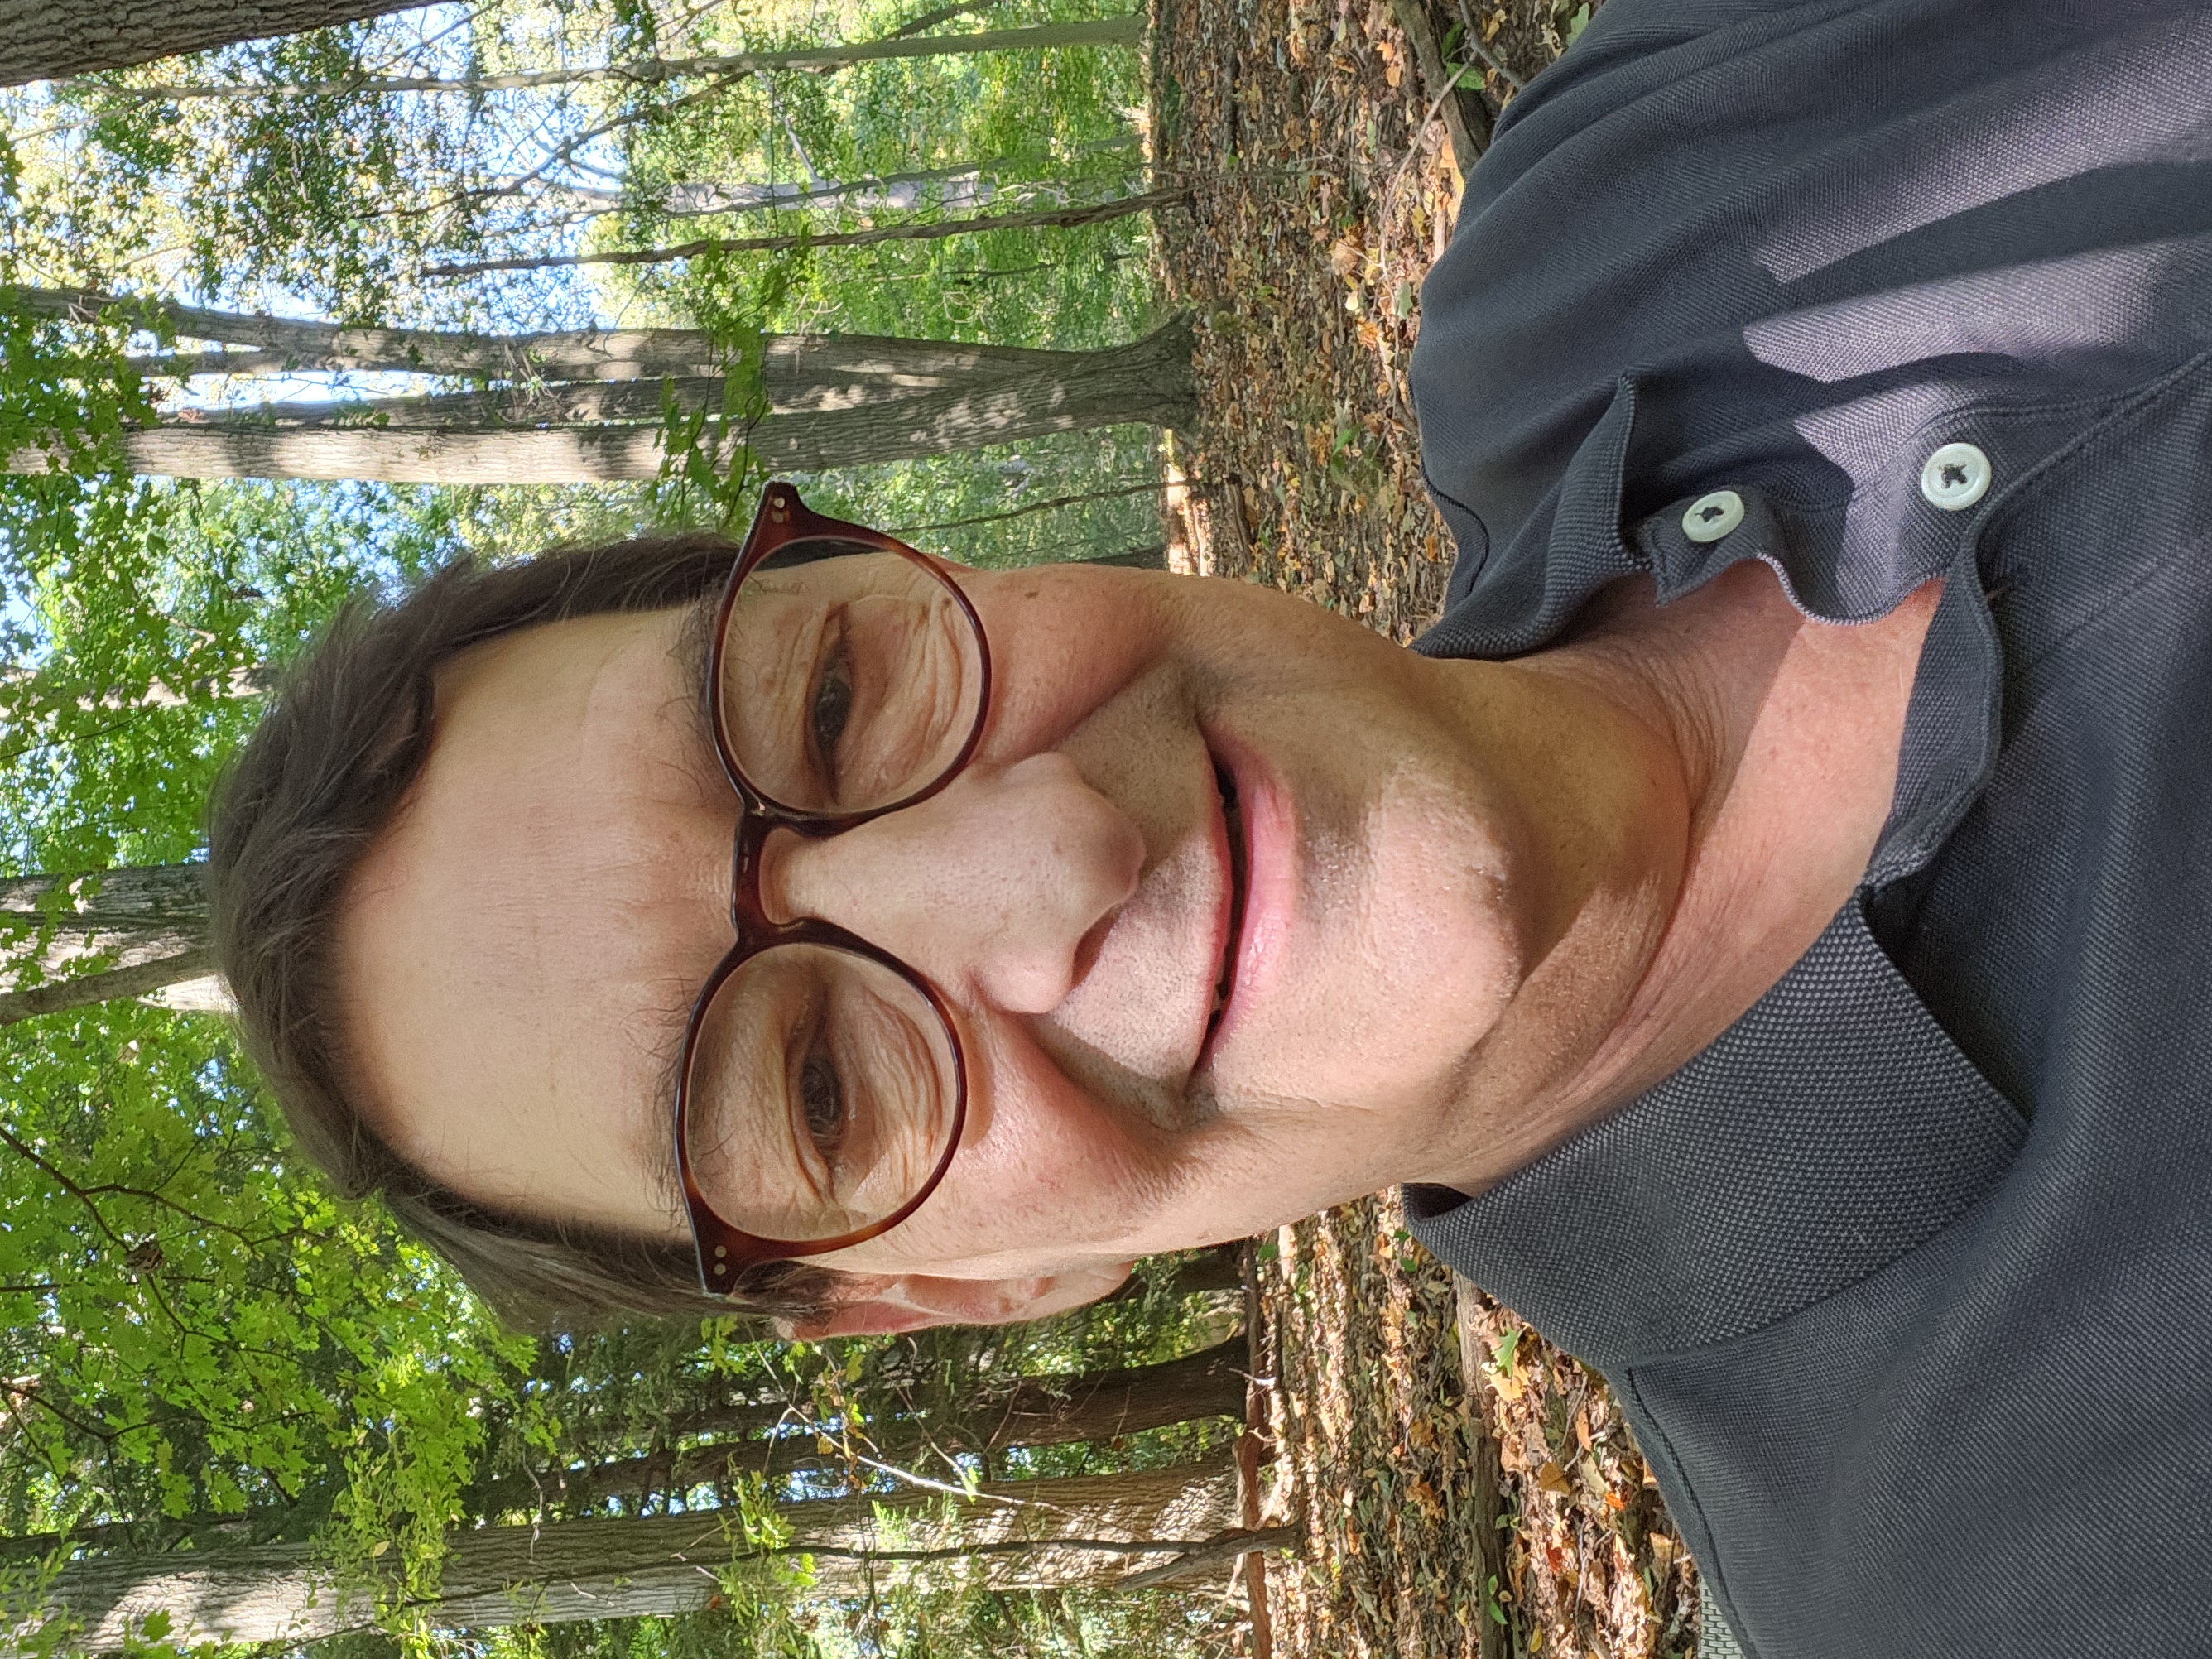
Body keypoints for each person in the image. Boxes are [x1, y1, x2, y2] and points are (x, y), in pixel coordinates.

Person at [209, 0, 2212, 1652]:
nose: (1047, 862)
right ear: (964, 1291)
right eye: (820, 1091)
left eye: (828, 702)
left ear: (927, 566)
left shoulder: (1603, 233)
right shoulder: (2018, 1590)